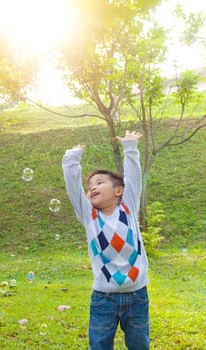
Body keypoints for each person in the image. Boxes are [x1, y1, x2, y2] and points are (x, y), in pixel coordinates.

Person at [62, 130, 150, 350]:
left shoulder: (128, 206)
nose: (92, 187)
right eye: (90, 185)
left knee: (139, 345)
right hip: (103, 298)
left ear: (119, 190)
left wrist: (130, 148)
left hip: (137, 295)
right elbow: (73, 188)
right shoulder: (89, 215)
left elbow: (134, 177)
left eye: (99, 182)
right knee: (100, 345)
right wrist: (71, 160)